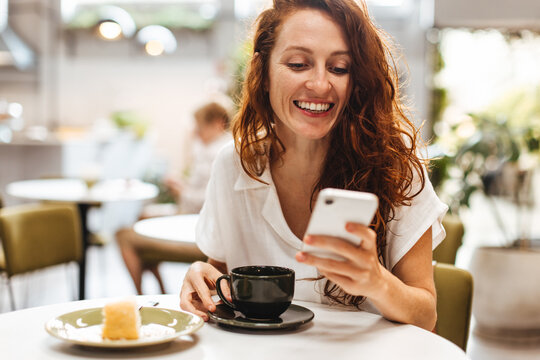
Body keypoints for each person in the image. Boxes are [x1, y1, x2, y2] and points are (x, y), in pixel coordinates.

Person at [180, 0, 448, 331]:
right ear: (262, 73)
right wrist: (201, 280)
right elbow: (220, 283)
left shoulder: (396, 167)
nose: (320, 85)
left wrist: (377, 281)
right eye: (298, 64)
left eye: (339, 68)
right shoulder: (234, 165)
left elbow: (427, 317)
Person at [116, 101, 231, 295]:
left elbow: (207, 202)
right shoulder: (210, 150)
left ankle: (141, 296)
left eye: (200, 126)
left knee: (124, 235)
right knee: (143, 217)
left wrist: (180, 191)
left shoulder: (220, 153)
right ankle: (159, 290)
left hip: (198, 227)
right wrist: (182, 186)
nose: (196, 132)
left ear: (218, 124)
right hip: (194, 217)